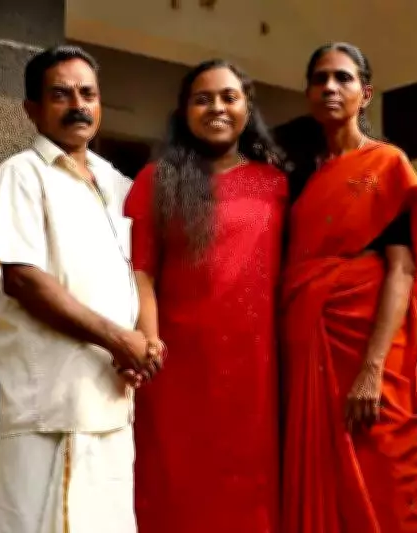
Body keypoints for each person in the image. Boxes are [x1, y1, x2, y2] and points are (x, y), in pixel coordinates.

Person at [0, 45, 157, 533]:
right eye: (61, 94)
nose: (78, 105)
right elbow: (23, 279)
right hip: (51, 403)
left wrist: (144, 340)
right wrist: (118, 339)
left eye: (88, 94)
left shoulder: (115, 183)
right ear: (32, 109)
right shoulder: (21, 174)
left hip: (111, 396)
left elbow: (136, 273)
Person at [276, 42, 417, 533]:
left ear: (365, 94)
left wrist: (371, 369)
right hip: (308, 344)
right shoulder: (296, 177)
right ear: (308, 93)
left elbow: (401, 270)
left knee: (384, 469)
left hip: (370, 346)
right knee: (316, 469)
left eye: (342, 78)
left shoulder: (387, 165)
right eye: (320, 79)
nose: (330, 87)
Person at [125, 59, 286, 533]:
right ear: (183, 111)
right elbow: (140, 272)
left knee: (250, 495)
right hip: (177, 369)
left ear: (247, 108)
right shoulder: (156, 180)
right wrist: (149, 344)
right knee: (175, 490)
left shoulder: (275, 184)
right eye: (203, 99)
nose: (217, 107)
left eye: (229, 97)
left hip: (257, 373)